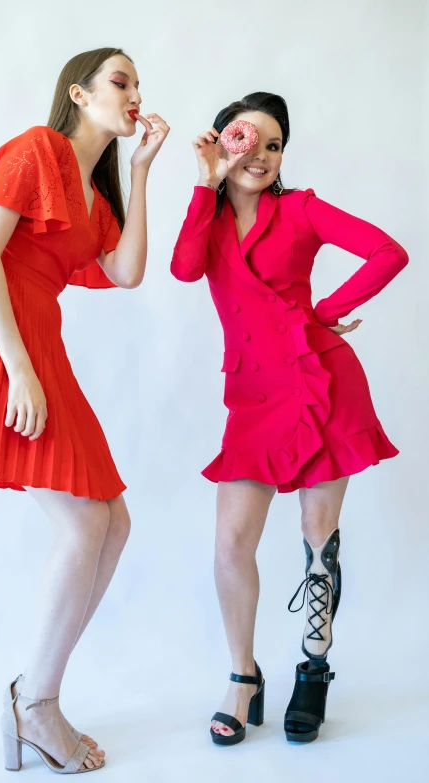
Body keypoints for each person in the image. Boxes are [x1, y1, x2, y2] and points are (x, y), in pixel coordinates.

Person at [0, 47, 169, 773]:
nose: (133, 95)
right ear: (78, 92)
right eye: (120, 82)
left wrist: (144, 169)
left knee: (112, 521)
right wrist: (18, 369)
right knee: (86, 520)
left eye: (137, 86)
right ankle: (36, 704)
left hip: (37, 340)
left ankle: (35, 697)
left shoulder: (95, 191)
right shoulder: (37, 149)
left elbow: (126, 273)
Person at [171, 92, 408, 746]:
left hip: (321, 381)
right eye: (251, 139)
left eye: (276, 146)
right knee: (230, 544)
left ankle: (314, 667)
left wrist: (324, 311)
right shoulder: (208, 217)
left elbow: (389, 252)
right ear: (224, 141)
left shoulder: (300, 209)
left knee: (315, 535)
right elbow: (184, 268)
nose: (264, 155)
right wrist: (204, 184)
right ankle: (243, 676)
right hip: (253, 395)